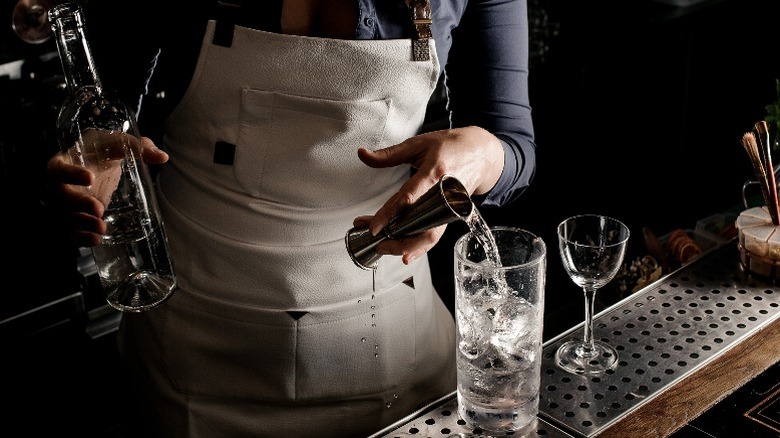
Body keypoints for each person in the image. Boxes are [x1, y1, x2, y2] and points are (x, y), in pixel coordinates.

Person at [45, 0, 536, 436]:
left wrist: (483, 157)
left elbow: (515, 147)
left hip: (390, 352)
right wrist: (88, 165)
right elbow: (97, 110)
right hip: (191, 351)